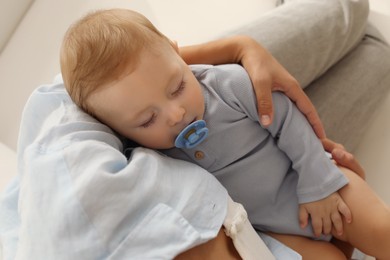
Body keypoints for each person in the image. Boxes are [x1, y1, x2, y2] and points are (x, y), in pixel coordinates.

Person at [60, 8, 390, 260]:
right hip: (271, 229)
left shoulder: (225, 84)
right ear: (117, 130)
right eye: (147, 120)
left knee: (381, 231)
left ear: (179, 54)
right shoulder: (147, 155)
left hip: (308, 179)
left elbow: (288, 120)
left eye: (177, 87)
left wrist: (318, 183)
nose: (177, 115)